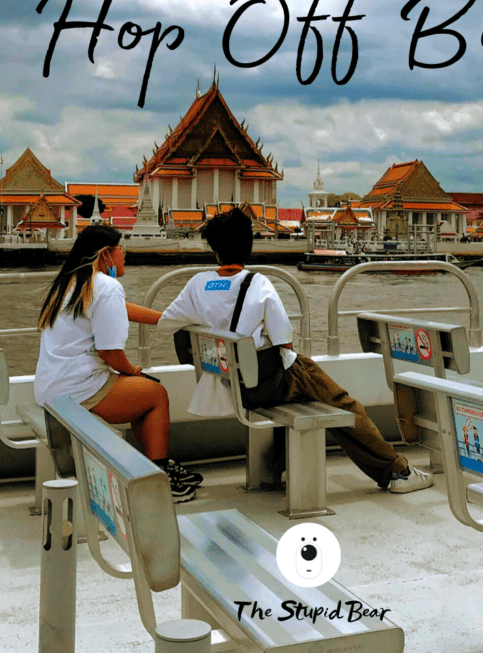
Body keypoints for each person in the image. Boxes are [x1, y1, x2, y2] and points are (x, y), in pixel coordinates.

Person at [156, 208, 433, 493]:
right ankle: (397, 471)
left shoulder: (196, 284)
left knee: (300, 393)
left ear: (214, 251)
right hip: (261, 385)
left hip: (226, 382)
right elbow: (284, 341)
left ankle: (277, 469)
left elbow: (167, 324)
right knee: (344, 404)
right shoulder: (259, 283)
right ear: (249, 247)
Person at [34, 223, 199, 502]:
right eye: (122, 249)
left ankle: (150, 468)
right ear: (106, 255)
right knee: (155, 395)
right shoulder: (106, 286)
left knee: (139, 393)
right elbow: (110, 352)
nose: (125, 255)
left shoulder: (72, 282)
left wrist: (166, 319)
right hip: (78, 390)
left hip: (53, 386)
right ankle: (159, 483)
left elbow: (120, 310)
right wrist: (131, 370)